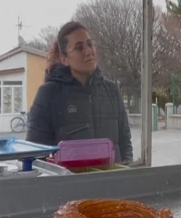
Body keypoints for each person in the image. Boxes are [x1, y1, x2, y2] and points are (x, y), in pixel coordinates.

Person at [27, 21, 133, 163]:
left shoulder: (112, 91)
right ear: (64, 59)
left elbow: (125, 142)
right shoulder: (49, 94)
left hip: (112, 182)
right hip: (70, 184)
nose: (88, 51)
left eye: (90, 44)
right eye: (79, 48)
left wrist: (126, 174)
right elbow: (34, 154)